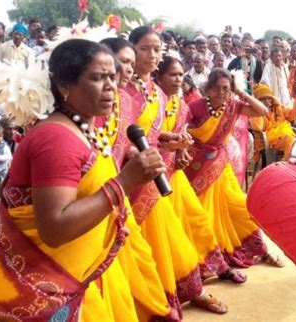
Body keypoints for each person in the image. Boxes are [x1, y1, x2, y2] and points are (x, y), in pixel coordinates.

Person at [0, 38, 168, 321]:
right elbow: (55, 229)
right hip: (38, 287)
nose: (110, 86)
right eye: (97, 77)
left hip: (71, 278)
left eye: (112, 76)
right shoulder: (57, 138)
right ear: (64, 85)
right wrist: (124, 183)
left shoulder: (82, 130)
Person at [125, 26, 228, 315]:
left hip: (152, 175)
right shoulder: (123, 91)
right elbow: (123, 138)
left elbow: (152, 135)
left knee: (169, 240)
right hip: (133, 178)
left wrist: (172, 142)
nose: (151, 54)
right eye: (144, 48)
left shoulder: (155, 92)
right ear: (132, 49)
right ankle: (153, 303)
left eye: (156, 49)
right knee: (146, 247)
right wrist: (152, 151)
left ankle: (187, 290)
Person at [100, 37, 180, 321]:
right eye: (125, 61)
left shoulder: (132, 96)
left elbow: (125, 138)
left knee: (141, 256)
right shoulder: (105, 100)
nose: (126, 71)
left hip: (127, 184)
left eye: (128, 64)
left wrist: (165, 142)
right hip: (107, 191)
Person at [156, 56, 247, 283]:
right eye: (172, 75)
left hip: (175, 171)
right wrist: (173, 145)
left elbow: (178, 134)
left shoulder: (178, 104)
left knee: (197, 220)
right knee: (168, 229)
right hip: (152, 175)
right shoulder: (153, 101)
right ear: (158, 77)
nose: (178, 79)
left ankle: (218, 268)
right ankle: (180, 280)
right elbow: (147, 136)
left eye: (180, 74)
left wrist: (178, 150)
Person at [184, 68, 285, 269]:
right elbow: (181, 129)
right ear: (208, 89)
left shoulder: (234, 105)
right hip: (199, 167)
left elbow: (262, 112)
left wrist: (241, 93)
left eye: (226, 88)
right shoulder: (195, 107)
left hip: (221, 165)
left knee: (240, 207)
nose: (221, 93)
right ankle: (208, 258)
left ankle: (261, 250)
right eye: (217, 88)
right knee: (203, 213)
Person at [250, 83, 296, 160]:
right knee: (290, 140)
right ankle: (289, 166)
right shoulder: (256, 113)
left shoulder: (278, 109)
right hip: (269, 139)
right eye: (263, 99)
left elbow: (294, 114)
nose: (267, 101)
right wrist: (259, 108)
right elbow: (258, 127)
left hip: (286, 136)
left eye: (269, 98)